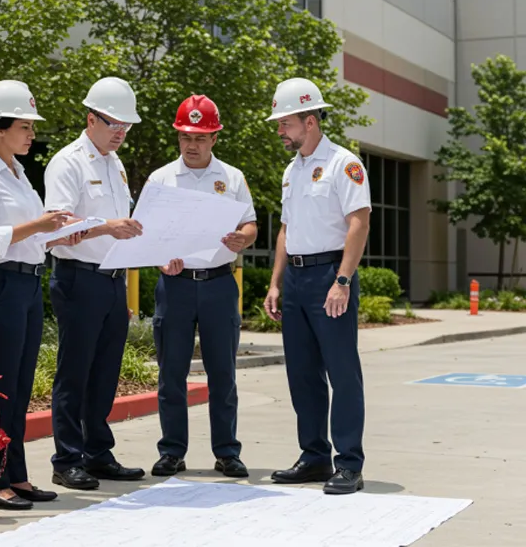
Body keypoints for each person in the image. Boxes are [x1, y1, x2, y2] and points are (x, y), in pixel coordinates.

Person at [0, 79, 84, 510]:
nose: (32, 134)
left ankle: (16, 475)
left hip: (28, 283)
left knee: (22, 384)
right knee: (0, 388)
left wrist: (56, 235)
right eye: (24, 126)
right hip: (1, 284)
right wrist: (39, 226)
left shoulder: (18, 173)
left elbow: (28, 236)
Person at [262, 77, 371, 495]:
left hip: (330, 276)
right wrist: (275, 283)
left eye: (285, 123)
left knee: (342, 373)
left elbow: (359, 222)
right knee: (302, 374)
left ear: (310, 121)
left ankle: (348, 463)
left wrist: (343, 280)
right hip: (297, 279)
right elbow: (286, 230)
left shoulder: (345, 164)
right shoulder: (292, 170)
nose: (280, 131)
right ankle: (313, 457)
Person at [145, 94, 257, 479]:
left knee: (222, 373)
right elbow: (145, 233)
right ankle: (172, 451)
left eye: (200, 137)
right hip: (175, 285)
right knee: (171, 373)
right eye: (185, 137)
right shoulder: (160, 179)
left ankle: (227, 451)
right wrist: (161, 258)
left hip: (219, 285)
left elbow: (250, 225)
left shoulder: (232, 178)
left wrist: (244, 238)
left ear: (214, 138)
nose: (191, 145)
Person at [43, 76, 146, 490]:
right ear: (91, 119)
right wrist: (109, 228)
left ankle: (97, 453)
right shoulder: (68, 162)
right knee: (75, 373)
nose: (121, 132)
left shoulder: (114, 164)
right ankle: (67, 458)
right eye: (113, 123)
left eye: (126, 126)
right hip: (78, 279)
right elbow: (58, 226)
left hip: (111, 281)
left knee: (105, 372)